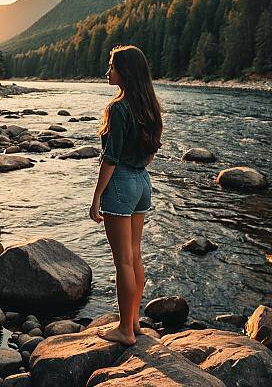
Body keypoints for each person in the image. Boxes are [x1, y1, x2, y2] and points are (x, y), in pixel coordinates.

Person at [89, 44, 163, 346]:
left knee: (123, 261)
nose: (108, 72)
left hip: (120, 184)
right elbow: (150, 152)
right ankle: (134, 321)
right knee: (135, 256)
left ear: (126, 72)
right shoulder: (150, 105)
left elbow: (111, 158)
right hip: (142, 183)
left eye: (112, 67)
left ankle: (125, 330)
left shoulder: (117, 108)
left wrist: (96, 198)